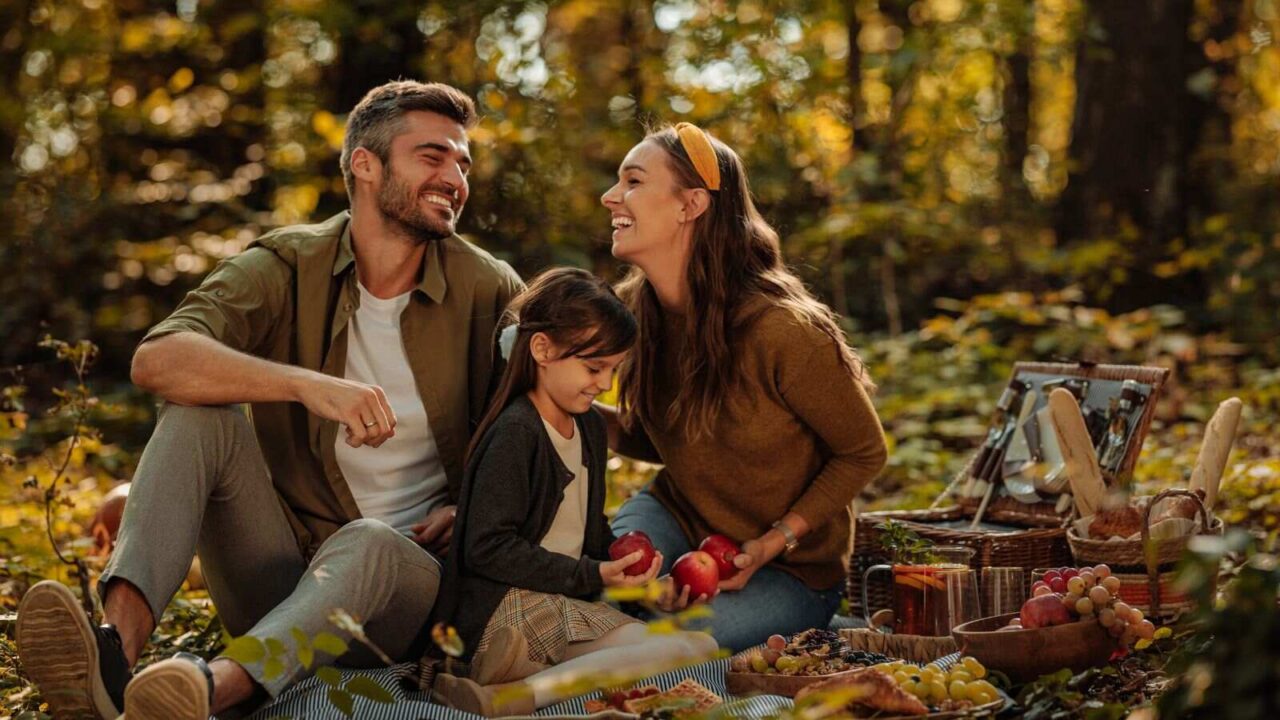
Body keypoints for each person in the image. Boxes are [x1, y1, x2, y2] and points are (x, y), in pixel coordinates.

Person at [14, 80, 524, 720]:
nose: (455, 176)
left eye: (461, 162)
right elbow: (159, 358)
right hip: (287, 579)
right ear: (365, 165)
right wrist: (309, 386)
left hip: (408, 600)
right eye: (432, 156)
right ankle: (113, 659)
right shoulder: (289, 263)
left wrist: (475, 505)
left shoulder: (489, 287)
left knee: (366, 541)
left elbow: (542, 420)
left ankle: (207, 691)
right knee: (201, 414)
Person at [600, 122, 889, 651]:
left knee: (670, 643)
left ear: (690, 204)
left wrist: (773, 541)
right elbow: (673, 442)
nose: (610, 196)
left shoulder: (783, 330)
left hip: (792, 570)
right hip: (677, 515)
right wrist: (573, 408)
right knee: (594, 586)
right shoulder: (635, 314)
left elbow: (863, 452)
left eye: (633, 181)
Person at [427, 267, 719, 717]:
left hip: (558, 603)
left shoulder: (587, 426)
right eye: (594, 367)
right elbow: (485, 549)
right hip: (502, 611)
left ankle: (523, 678)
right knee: (675, 649)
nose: (605, 384)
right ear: (542, 349)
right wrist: (594, 576)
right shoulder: (515, 432)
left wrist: (638, 587)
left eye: (614, 369)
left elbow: (588, 531)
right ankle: (505, 694)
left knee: (697, 646)